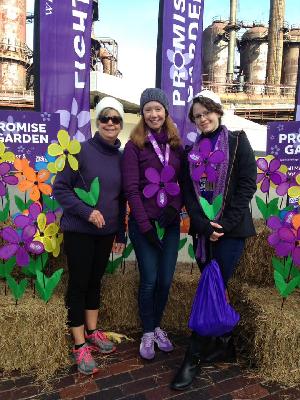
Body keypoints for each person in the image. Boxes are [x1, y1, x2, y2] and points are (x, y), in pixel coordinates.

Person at [171, 90, 257, 390]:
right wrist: (203, 225)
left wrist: (224, 223)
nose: (202, 119)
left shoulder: (237, 141)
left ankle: (193, 356)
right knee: (214, 287)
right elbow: (188, 195)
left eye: (206, 112)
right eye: (196, 116)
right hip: (204, 232)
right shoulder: (191, 152)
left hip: (231, 232)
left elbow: (247, 184)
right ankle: (224, 344)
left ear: (217, 111)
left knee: (212, 286)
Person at [53, 97, 126, 375]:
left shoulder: (121, 159)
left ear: (120, 124)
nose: (110, 123)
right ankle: (79, 344)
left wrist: (120, 231)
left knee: (95, 281)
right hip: (80, 230)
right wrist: (86, 212)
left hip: (106, 233)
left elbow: (120, 199)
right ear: (98, 123)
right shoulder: (79, 151)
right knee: (79, 284)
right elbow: (60, 189)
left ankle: (93, 331)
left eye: (115, 119)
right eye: (105, 118)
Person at [122, 88, 183, 360]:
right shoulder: (134, 146)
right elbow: (131, 190)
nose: (154, 114)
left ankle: (158, 325)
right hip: (143, 224)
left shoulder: (176, 144)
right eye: (148, 109)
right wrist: (145, 226)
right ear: (142, 113)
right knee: (150, 279)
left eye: (158, 109)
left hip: (168, 223)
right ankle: (147, 332)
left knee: (166, 280)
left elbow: (183, 184)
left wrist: (175, 207)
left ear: (166, 112)